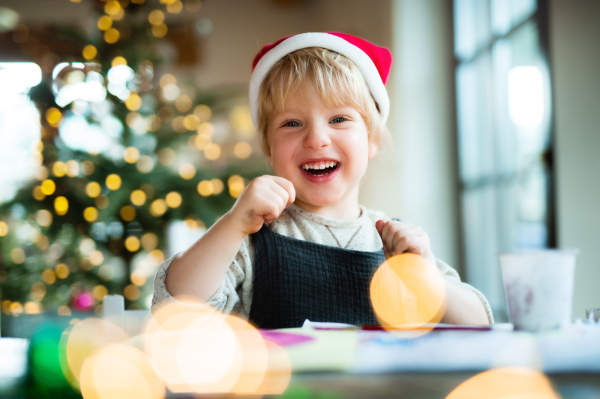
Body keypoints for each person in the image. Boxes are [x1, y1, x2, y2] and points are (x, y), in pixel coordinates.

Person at [152, 32, 493, 328]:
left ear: (372, 140)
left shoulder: (396, 242)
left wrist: (427, 277)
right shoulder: (252, 237)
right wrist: (232, 224)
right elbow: (176, 305)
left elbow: (479, 322)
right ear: (269, 148)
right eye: (292, 123)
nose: (317, 139)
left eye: (339, 119)